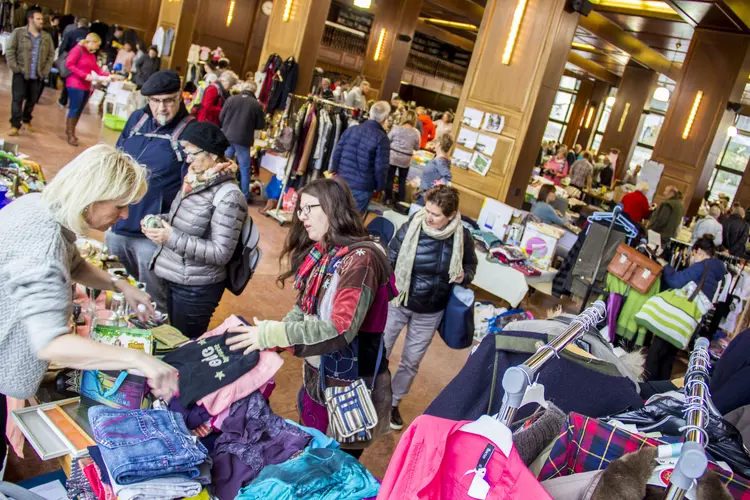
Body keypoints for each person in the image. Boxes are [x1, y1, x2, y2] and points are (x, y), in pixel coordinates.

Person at [0, 144, 180, 464]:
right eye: (120, 205)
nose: (124, 214)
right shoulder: (43, 242)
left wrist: (118, 284)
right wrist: (138, 360)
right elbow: (51, 343)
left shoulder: (40, 207)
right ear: (92, 197)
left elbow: (75, 264)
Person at [226, 178, 394, 457]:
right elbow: (305, 306)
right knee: (313, 450)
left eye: (308, 208)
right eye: (299, 209)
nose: (301, 216)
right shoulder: (328, 251)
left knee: (333, 464)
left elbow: (340, 328)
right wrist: (275, 334)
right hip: (323, 375)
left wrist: (273, 334)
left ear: (332, 208)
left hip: (349, 386)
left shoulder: (360, 260)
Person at [385, 186, 477, 429]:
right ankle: (370, 393)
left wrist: (462, 276)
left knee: (411, 361)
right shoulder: (413, 225)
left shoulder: (462, 236)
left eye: (435, 214)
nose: (429, 217)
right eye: (427, 210)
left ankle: (392, 403)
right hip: (399, 301)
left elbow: (470, 267)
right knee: (379, 349)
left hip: (430, 310)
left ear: (451, 215)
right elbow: (390, 257)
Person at [143, 122, 246, 339]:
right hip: (175, 276)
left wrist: (170, 237)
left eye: (192, 153)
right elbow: (182, 221)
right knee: (171, 339)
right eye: (186, 153)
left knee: (184, 346)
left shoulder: (229, 196)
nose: (188, 159)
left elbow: (221, 253)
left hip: (196, 288)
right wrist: (159, 221)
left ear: (212, 154)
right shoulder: (195, 179)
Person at [106, 70, 197, 312]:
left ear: (181, 98)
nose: (162, 108)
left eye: (169, 100)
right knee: (117, 291)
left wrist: (170, 231)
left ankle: (155, 344)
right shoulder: (136, 120)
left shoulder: (190, 133)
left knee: (153, 301)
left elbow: (191, 193)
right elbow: (115, 161)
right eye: (155, 101)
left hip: (152, 239)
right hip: (118, 228)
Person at [645, 235, 726, 380]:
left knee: (656, 351)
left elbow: (675, 281)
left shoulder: (702, 266)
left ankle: (646, 387)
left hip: (677, 315)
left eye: (693, 253)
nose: (693, 257)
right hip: (689, 319)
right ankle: (659, 389)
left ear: (699, 251)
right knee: (669, 354)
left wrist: (664, 264)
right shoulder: (716, 272)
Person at [331, 101, 391, 214]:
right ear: (385, 118)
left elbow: (337, 154)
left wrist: (337, 172)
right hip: (363, 187)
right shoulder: (382, 138)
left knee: (335, 216)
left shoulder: (352, 129)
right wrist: (379, 187)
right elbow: (381, 168)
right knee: (352, 223)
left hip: (342, 181)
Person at [5, 6, 54, 136]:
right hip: (20, 73)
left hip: (37, 75)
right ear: (30, 19)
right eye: (38, 19)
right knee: (17, 99)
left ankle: (26, 120)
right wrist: (15, 67)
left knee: (32, 101)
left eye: (42, 19)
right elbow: (10, 50)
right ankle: (15, 125)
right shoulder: (19, 32)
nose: (41, 21)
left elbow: (50, 55)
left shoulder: (46, 37)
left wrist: (44, 71)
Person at [220, 81, 265, 200]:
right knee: (244, 168)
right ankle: (244, 195)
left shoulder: (231, 99)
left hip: (227, 136)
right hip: (243, 139)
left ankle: (219, 188)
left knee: (223, 164)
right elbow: (260, 125)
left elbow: (221, 117)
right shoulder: (256, 104)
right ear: (254, 91)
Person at [64, 33, 109, 146]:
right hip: (74, 83)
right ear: (92, 42)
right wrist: (84, 75)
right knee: (74, 108)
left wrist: (109, 75)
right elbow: (69, 64)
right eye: (97, 45)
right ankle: (70, 134)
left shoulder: (91, 54)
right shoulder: (77, 50)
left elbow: (96, 69)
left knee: (80, 109)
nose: (97, 48)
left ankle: (71, 129)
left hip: (86, 85)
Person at [386, 110, 421, 204]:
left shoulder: (396, 128)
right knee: (402, 180)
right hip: (406, 159)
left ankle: (388, 199)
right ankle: (400, 201)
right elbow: (417, 147)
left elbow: (388, 140)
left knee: (390, 178)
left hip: (393, 156)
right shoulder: (416, 133)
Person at [57, 17, 89, 108]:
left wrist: (61, 59)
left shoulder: (70, 33)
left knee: (68, 81)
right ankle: (75, 103)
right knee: (79, 83)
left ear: (78, 24)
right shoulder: (90, 37)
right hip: (83, 63)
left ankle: (63, 101)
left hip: (70, 61)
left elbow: (63, 48)